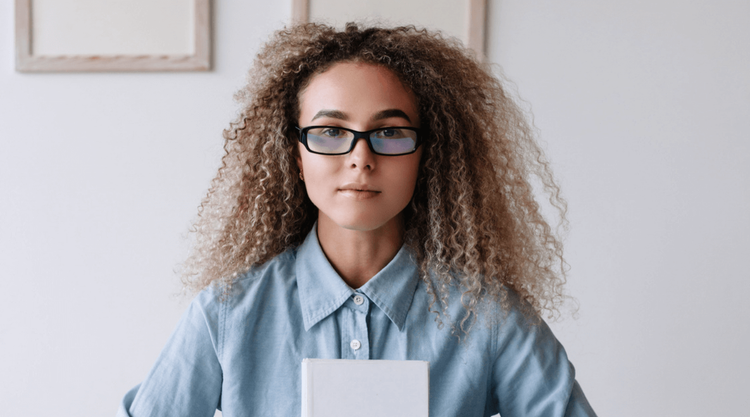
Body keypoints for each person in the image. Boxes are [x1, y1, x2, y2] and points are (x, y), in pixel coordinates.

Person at [117, 22, 597, 416]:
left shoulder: (488, 315)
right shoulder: (226, 314)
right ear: (296, 156)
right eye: (329, 131)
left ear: (425, 155)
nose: (361, 158)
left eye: (389, 131)